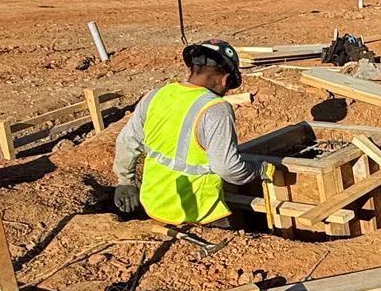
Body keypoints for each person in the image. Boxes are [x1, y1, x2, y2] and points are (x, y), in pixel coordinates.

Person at [112, 39, 270, 224]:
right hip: (197, 212)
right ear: (225, 79)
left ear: (191, 69)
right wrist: (260, 168)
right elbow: (227, 168)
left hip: (154, 204)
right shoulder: (215, 108)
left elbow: (127, 141)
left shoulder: (157, 94)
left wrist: (125, 181)